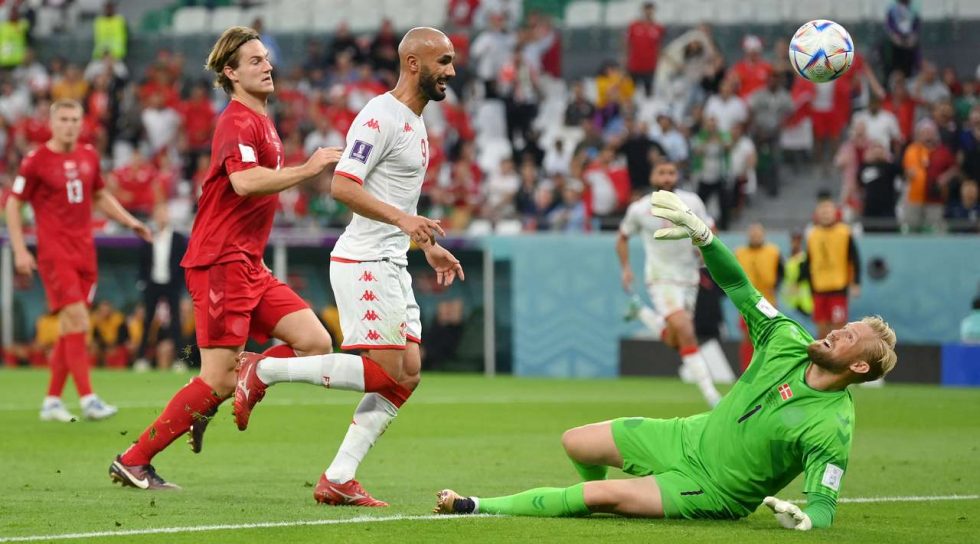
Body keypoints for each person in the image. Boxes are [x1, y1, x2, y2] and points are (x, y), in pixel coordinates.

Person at [435, 190, 898, 530]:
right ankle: (604, 497)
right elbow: (739, 286)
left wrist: (808, 520)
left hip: (712, 490)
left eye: (849, 337)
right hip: (687, 437)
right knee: (575, 442)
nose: (837, 330)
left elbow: (824, 504)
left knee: (596, 495)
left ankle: (476, 505)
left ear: (859, 367)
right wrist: (705, 238)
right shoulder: (786, 338)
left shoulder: (832, 426)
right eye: (845, 326)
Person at [232, 27, 464, 507]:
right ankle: (263, 369)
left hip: (393, 260)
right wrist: (404, 221)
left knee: (408, 374)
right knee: (385, 374)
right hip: (365, 261)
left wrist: (424, 245)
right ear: (413, 63)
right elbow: (343, 185)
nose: (452, 71)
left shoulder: (416, 124)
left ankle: (339, 476)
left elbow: (398, 202)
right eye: (443, 61)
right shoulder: (380, 116)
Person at [108, 26, 343, 490]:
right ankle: (134, 459)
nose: (267, 65)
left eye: (266, 58)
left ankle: (238, 381)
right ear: (231, 73)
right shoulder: (237, 121)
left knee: (316, 344)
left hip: (248, 263)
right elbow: (245, 182)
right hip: (220, 263)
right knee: (216, 379)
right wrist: (309, 168)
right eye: (255, 61)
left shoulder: (262, 120)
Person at [4, 99, 151, 422]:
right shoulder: (36, 160)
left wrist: (130, 222)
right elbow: (14, 204)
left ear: (82, 123)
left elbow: (99, 195)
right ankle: (88, 399)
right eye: (64, 119)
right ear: (52, 123)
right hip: (55, 253)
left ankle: (52, 401)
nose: (70, 125)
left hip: (85, 252)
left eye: (74, 120)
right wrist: (20, 250)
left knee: (71, 326)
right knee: (80, 321)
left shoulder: (88, 156)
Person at [619, 159, 722, 407]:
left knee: (676, 339)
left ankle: (641, 312)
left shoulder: (692, 202)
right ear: (653, 177)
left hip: (689, 277)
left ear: (677, 176)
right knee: (686, 329)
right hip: (660, 278)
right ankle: (712, 396)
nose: (667, 177)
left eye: (671, 173)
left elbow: (710, 230)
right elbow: (622, 237)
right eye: (661, 173)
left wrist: (705, 251)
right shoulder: (639, 209)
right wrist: (626, 269)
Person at [133, 204, 188, 370]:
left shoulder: (178, 238)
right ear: (154, 217)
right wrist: (142, 282)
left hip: (172, 285)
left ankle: (180, 360)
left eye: (164, 214)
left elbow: (183, 262)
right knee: (147, 322)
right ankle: (141, 359)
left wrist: (180, 283)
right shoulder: (148, 235)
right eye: (159, 214)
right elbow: (142, 261)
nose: (162, 217)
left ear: (169, 216)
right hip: (152, 285)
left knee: (176, 322)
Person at [804, 198, 861, 341]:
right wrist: (800, 282)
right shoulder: (812, 235)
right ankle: (824, 355)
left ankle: (839, 355)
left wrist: (856, 282)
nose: (825, 214)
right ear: (817, 214)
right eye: (822, 211)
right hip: (819, 288)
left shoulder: (844, 232)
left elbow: (854, 259)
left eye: (828, 211)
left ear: (835, 213)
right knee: (821, 330)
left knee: (838, 330)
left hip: (838, 288)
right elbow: (808, 262)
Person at [734, 223, 783, 370]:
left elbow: (781, 273)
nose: (755, 237)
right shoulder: (740, 253)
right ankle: (747, 370)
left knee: (768, 336)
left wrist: (774, 288)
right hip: (747, 301)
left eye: (758, 234)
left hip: (768, 301)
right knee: (747, 336)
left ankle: (767, 370)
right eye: (753, 234)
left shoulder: (773, 252)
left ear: (763, 235)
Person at [624, 2, 665, 97]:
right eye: (646, 10)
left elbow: (659, 46)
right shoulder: (633, 26)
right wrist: (625, 59)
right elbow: (626, 43)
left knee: (648, 93)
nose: (648, 13)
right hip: (634, 65)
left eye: (650, 11)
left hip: (650, 66)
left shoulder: (658, 27)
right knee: (630, 92)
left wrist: (659, 60)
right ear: (642, 11)